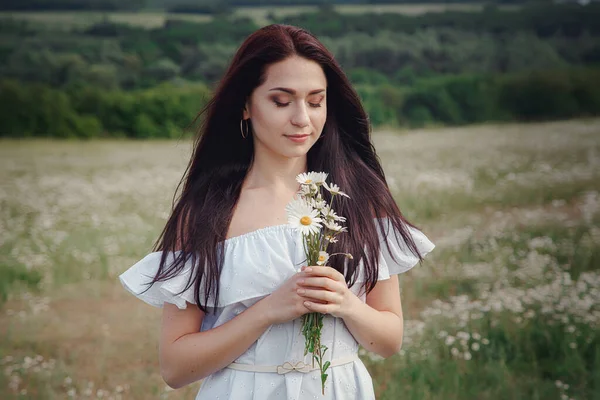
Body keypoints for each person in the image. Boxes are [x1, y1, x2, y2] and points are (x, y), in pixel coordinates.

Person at [119, 23, 435, 399]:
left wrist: (347, 304)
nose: (302, 118)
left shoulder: (359, 199)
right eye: (281, 101)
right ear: (246, 105)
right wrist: (268, 310)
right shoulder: (207, 212)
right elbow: (174, 367)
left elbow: (389, 341)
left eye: (316, 101)